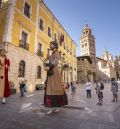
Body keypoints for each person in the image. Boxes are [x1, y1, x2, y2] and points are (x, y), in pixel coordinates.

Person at [44, 41, 68, 114]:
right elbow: (51, 62)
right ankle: (51, 107)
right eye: (50, 44)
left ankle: (57, 107)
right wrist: (47, 65)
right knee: (50, 89)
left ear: (54, 46)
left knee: (56, 88)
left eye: (51, 44)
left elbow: (56, 61)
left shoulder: (57, 52)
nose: (50, 46)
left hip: (54, 72)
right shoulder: (52, 54)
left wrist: (50, 66)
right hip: (50, 72)